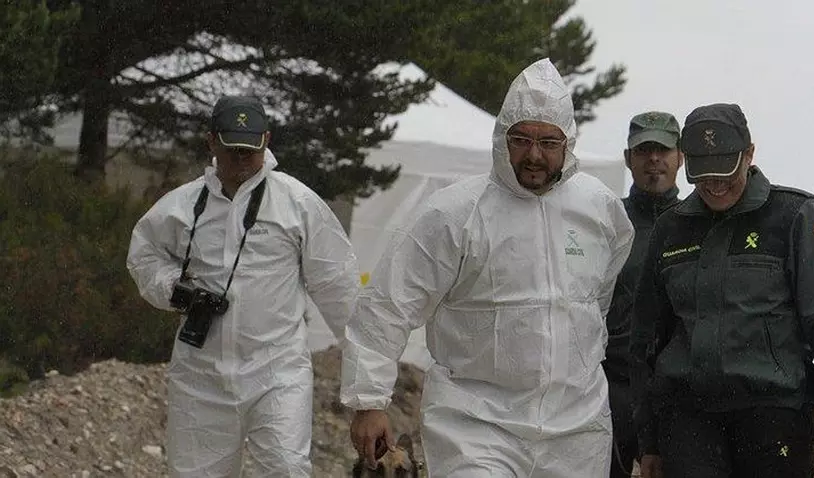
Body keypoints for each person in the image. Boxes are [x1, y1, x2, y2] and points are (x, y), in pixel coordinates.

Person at [340, 58, 635, 478]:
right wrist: (369, 401)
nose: (534, 155)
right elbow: (389, 303)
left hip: (576, 429)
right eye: (522, 139)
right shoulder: (454, 212)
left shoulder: (599, 208)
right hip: (475, 425)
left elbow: (598, 296)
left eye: (549, 142)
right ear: (501, 137)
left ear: (568, 143)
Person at [126, 95, 360, 477]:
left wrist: (368, 393)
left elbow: (341, 291)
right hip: (200, 376)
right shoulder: (181, 206)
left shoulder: (298, 204)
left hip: (277, 372)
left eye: (250, 150)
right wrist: (175, 289)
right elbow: (143, 256)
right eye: (232, 149)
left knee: (286, 469)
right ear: (211, 141)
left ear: (267, 141)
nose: (242, 159)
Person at [630, 103, 814, 478]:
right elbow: (647, 338)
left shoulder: (795, 215)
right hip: (688, 420)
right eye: (704, 175)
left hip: (775, 415)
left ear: (749, 154)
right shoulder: (670, 227)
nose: (715, 185)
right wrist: (648, 438)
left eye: (725, 173)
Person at [603, 111, 683, 478]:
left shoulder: (699, 222)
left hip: (677, 392)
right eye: (643, 150)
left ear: (681, 157)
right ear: (627, 158)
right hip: (612, 386)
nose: (654, 159)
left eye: (663, 150)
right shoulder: (606, 220)